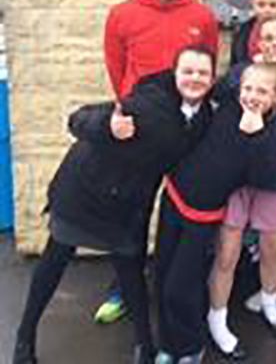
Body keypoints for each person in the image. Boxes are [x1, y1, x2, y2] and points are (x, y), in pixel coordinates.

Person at [13, 46, 216, 364]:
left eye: (203, 73)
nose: (195, 78)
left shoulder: (204, 117)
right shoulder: (148, 102)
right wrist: (106, 125)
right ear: (174, 73)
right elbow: (78, 118)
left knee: (130, 269)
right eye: (187, 71)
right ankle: (24, 337)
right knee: (55, 259)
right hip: (85, 191)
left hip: (130, 202)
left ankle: (144, 346)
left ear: (212, 77)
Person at [97, 0, 219, 325]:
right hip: (144, 134)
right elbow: (118, 73)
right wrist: (137, 115)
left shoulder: (201, 15)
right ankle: (122, 286)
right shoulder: (122, 14)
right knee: (134, 211)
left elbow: (208, 67)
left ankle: (182, 284)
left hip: (187, 134)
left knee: (184, 211)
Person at [156, 63, 276, 363]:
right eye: (248, 89)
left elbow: (264, 175)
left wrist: (256, 135)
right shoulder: (230, 103)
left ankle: (263, 304)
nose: (253, 96)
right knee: (215, 260)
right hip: (188, 196)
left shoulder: (274, 128)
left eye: (262, 91)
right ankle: (214, 321)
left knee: (183, 281)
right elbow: (206, 81)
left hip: (220, 199)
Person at [207, 14, 276, 357]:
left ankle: (270, 300)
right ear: (258, 42)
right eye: (268, 38)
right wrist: (242, 82)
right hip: (235, 180)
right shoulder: (241, 73)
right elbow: (216, 91)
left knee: (273, 245)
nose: (274, 44)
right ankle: (218, 316)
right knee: (227, 252)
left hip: (272, 179)